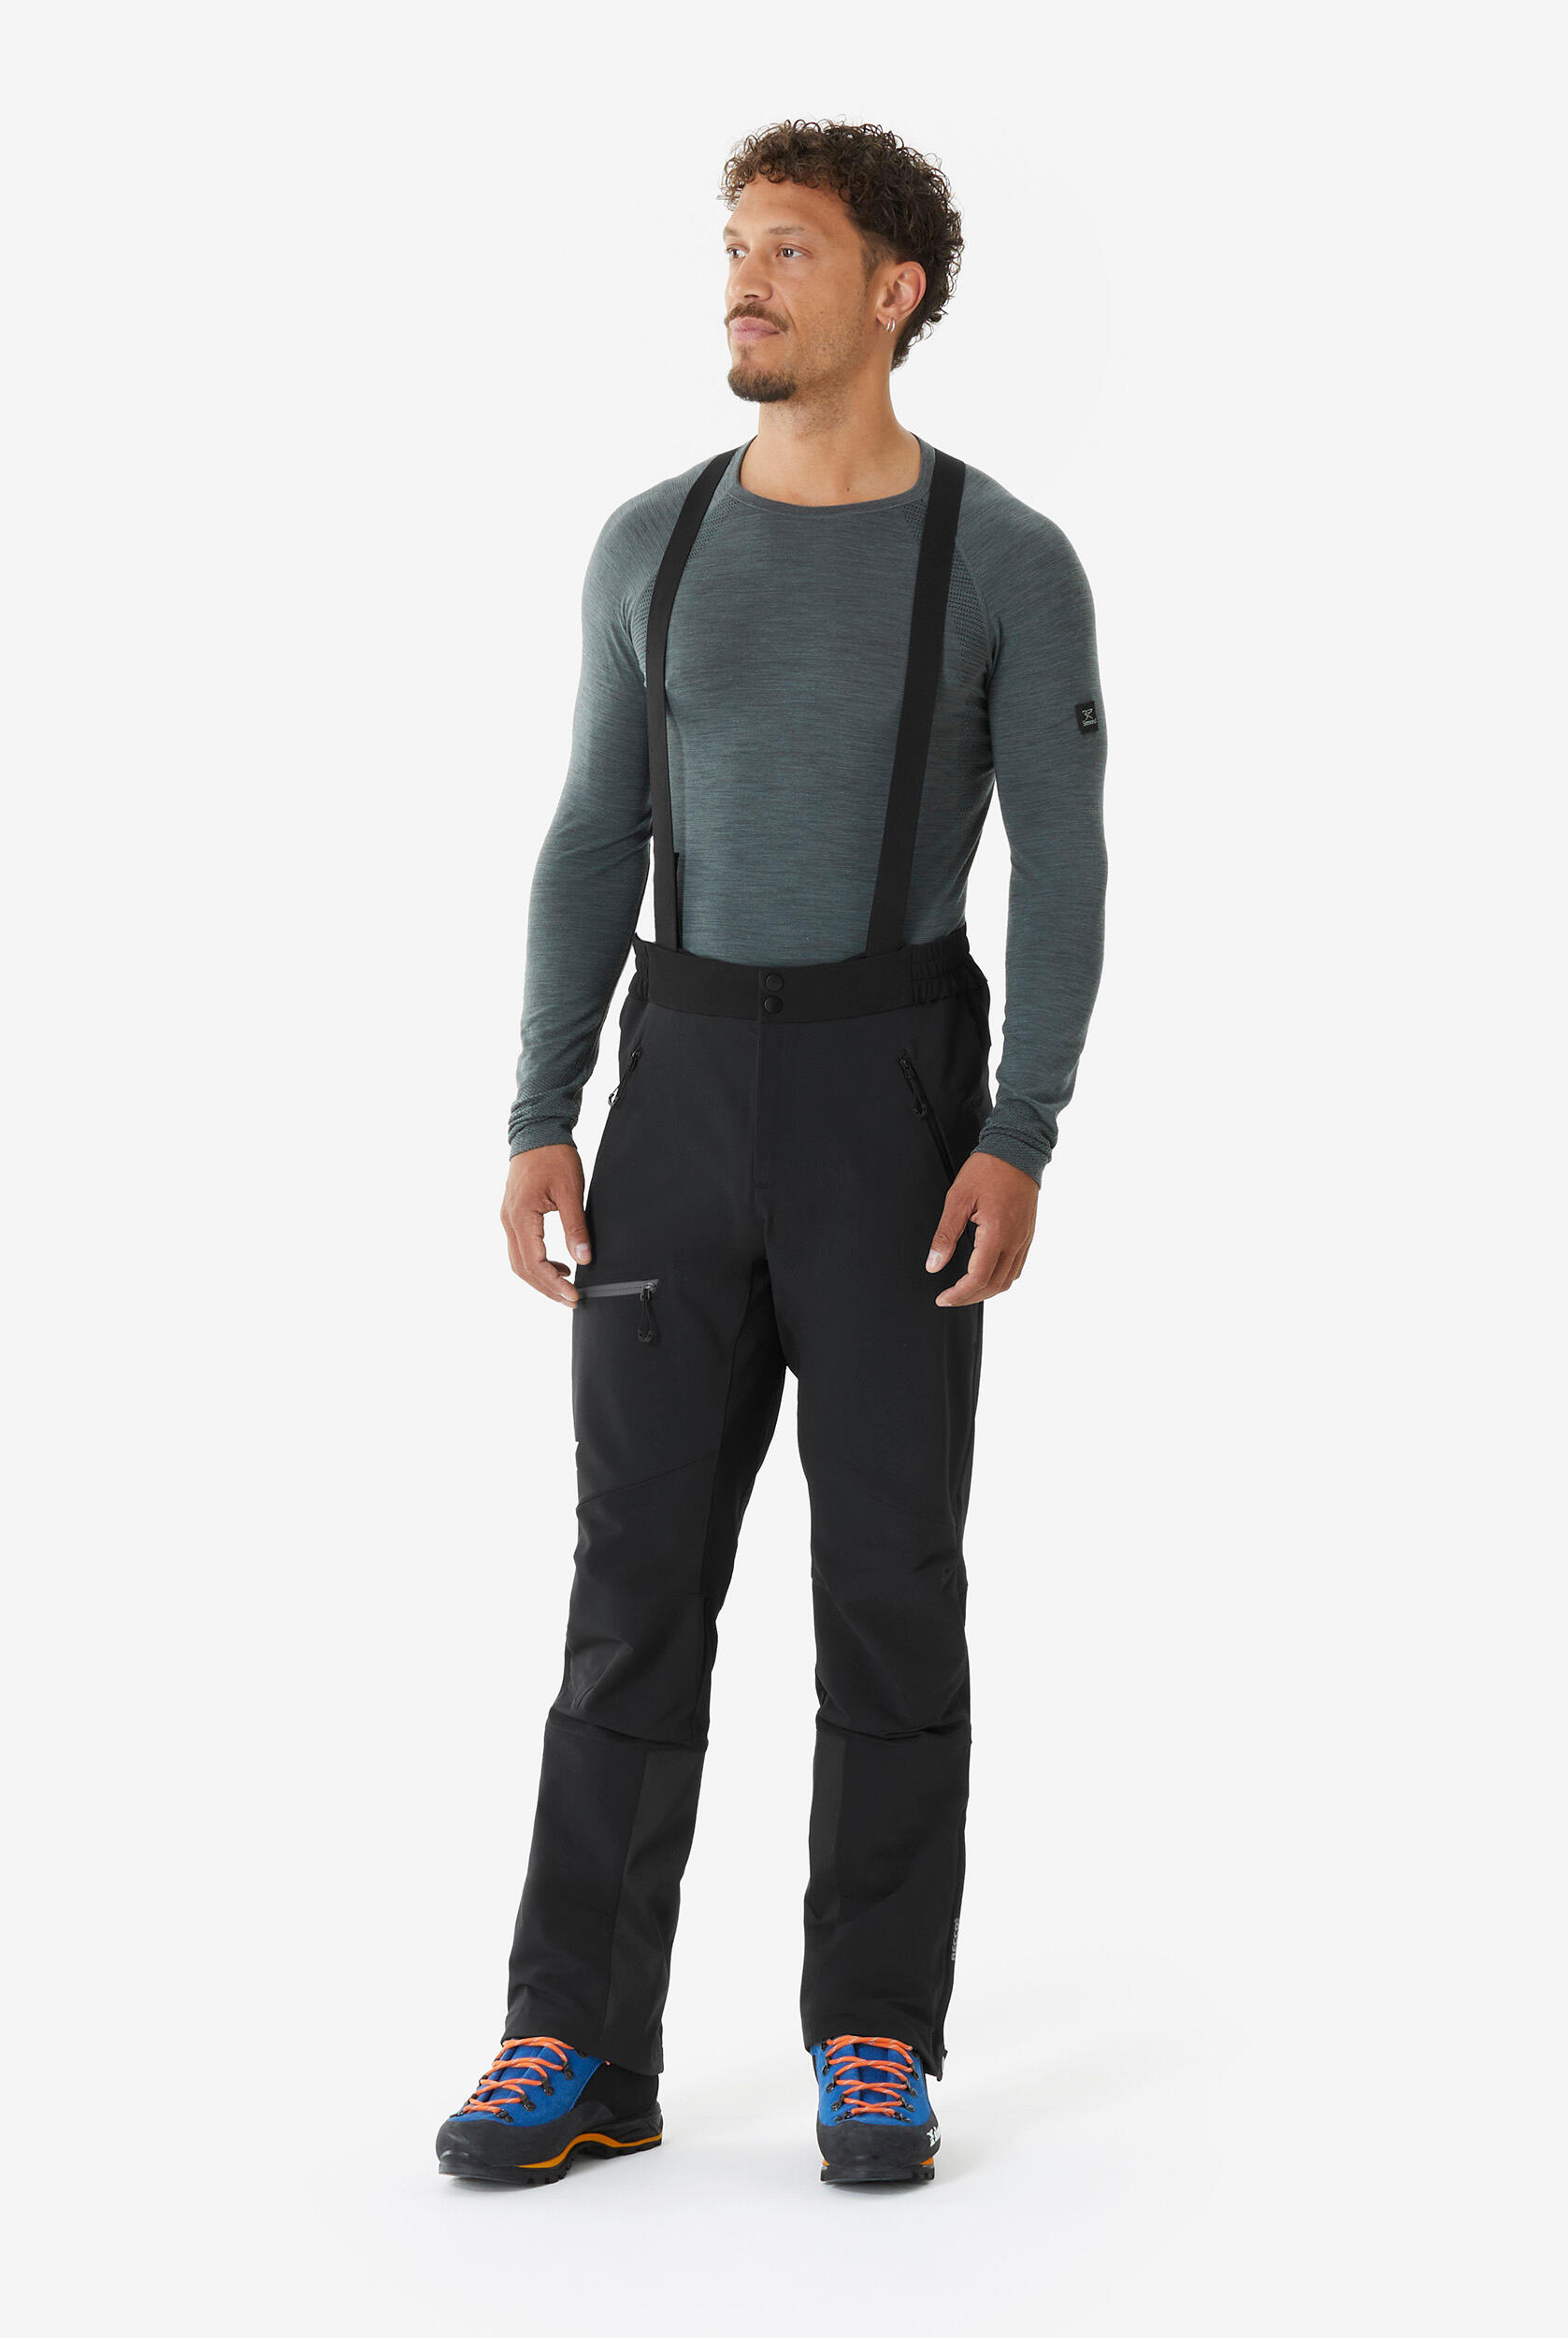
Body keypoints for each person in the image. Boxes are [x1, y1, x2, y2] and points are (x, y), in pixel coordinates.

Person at [436, 119, 1107, 2188]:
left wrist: (1019, 1131)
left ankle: (876, 2032)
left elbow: (1065, 863)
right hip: (678, 1080)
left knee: (889, 1579)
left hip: (894, 1097)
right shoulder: (649, 541)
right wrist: (541, 1110)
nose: (745, 276)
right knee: (631, 1578)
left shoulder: (1001, 558)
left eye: (792, 248)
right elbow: (590, 835)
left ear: (896, 291)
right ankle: (575, 2042)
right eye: (734, 243)